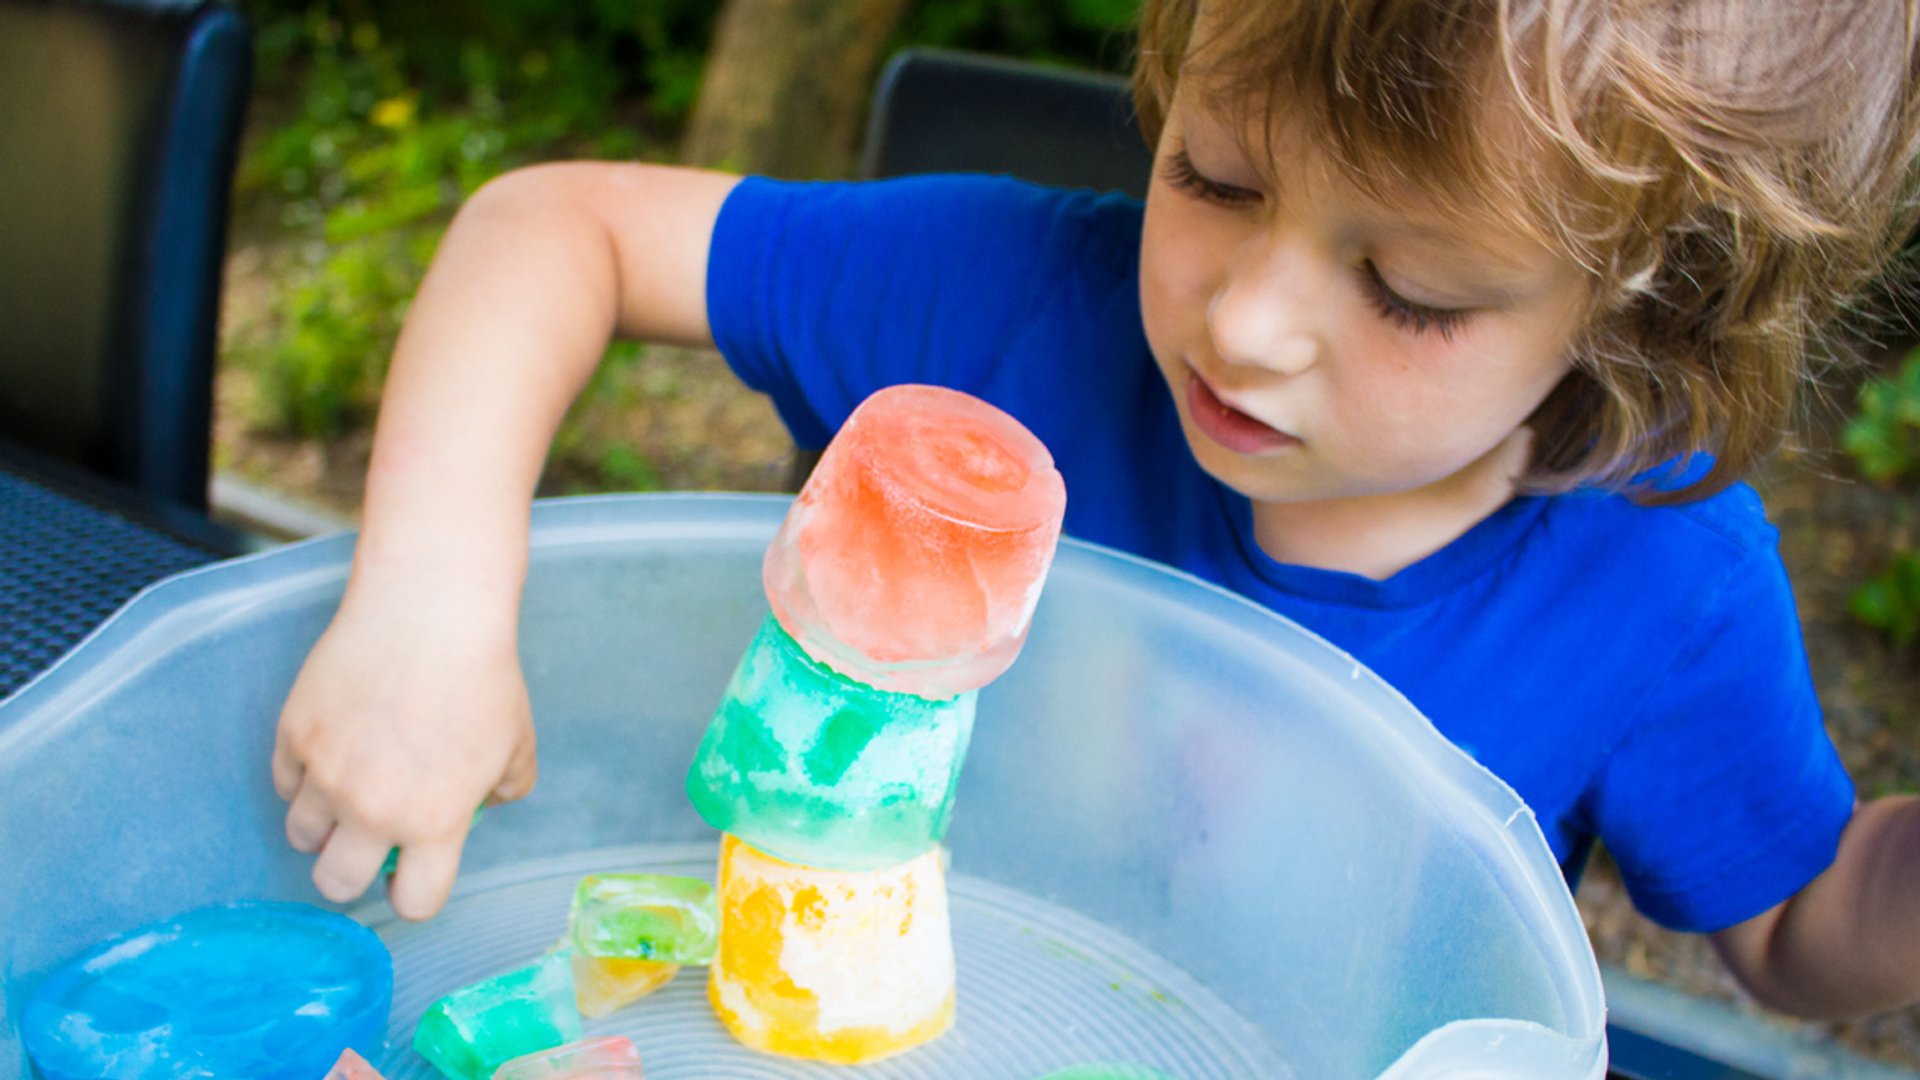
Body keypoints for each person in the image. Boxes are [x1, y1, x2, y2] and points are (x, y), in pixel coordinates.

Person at [272, 0, 1920, 1019]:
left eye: (1411, 290)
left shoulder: (1662, 587)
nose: (1248, 322)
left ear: (1642, 311)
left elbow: (1796, 929)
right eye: (1213, 177)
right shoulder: (1003, 298)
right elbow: (558, 227)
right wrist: (427, 601)